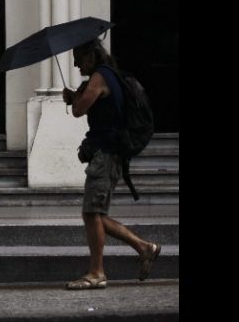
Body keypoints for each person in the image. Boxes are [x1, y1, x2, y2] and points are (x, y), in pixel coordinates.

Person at [62, 39, 161, 290]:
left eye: (77, 57)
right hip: (107, 154)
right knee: (93, 214)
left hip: (106, 156)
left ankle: (97, 272)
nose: (75, 63)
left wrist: (74, 98)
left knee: (92, 213)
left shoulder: (99, 77)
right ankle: (145, 247)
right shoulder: (108, 75)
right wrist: (76, 95)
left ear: (90, 56)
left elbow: (79, 110)